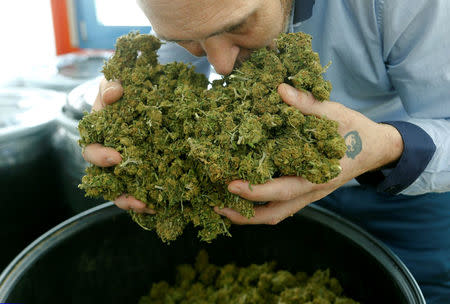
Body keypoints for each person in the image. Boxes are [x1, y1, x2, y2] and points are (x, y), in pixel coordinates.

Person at [82, 0, 450, 302]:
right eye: (190, 40)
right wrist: (122, 121)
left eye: (240, 25)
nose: (220, 64)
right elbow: (166, 88)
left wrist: (384, 147)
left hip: (406, 193)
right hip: (269, 190)